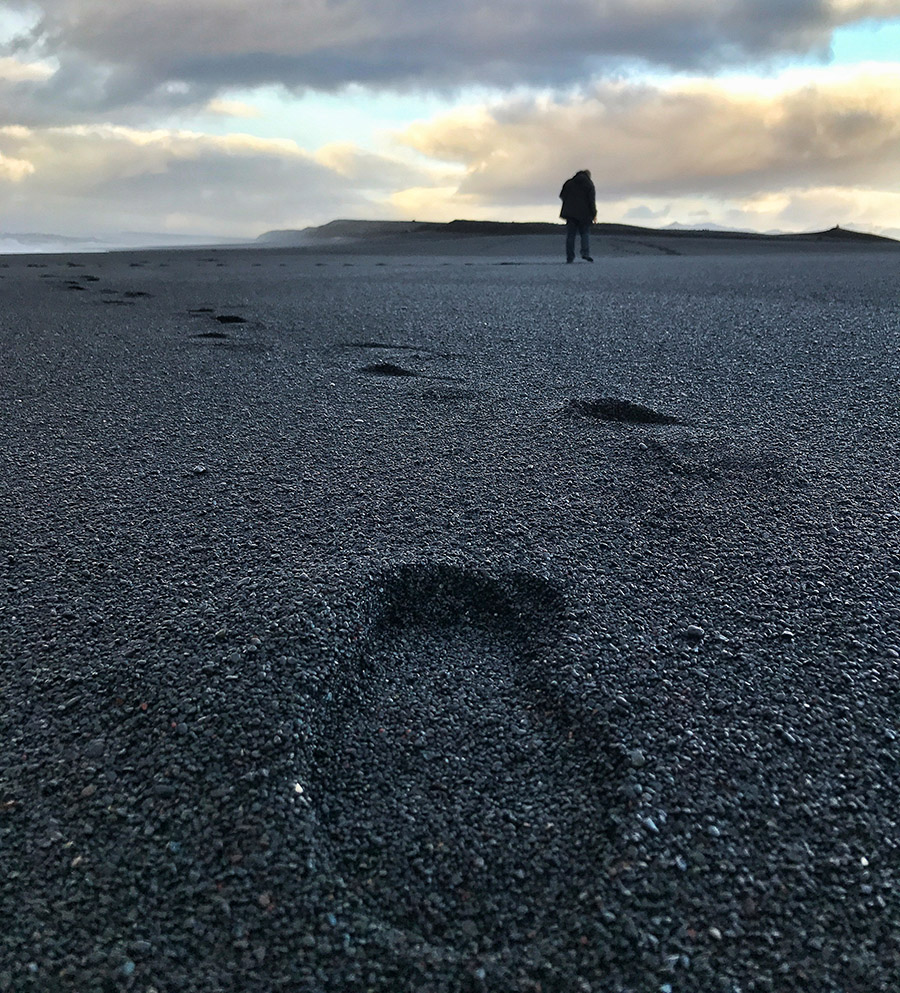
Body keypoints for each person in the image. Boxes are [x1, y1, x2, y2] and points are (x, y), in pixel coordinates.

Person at [559, 169, 596, 263]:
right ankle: (585, 253)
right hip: (585, 214)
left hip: (570, 213)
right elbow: (591, 200)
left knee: (570, 235)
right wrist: (594, 213)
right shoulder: (589, 184)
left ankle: (570, 257)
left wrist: (569, 202)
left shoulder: (569, 183)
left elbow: (562, 195)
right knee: (585, 234)